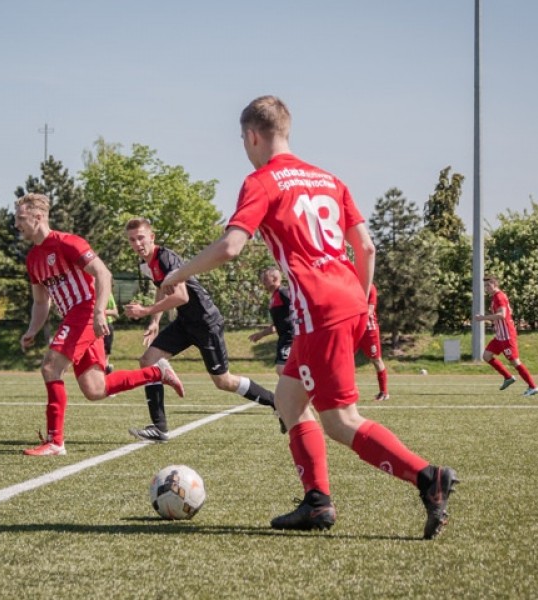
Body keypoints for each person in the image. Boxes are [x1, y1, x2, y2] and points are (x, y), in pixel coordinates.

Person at [158, 95, 457, 539]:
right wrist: (359, 297)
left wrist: (176, 273)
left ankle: (427, 478)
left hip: (319, 309)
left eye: (243, 138)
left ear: (253, 135)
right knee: (289, 400)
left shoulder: (261, 181)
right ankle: (316, 503)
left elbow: (231, 246)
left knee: (341, 420)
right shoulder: (329, 179)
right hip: (350, 299)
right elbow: (367, 248)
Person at [16, 193, 185, 456]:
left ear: (38, 217)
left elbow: (103, 273)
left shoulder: (68, 243)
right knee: (95, 389)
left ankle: (55, 441)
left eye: (21, 218)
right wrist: (32, 330)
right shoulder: (32, 259)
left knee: (51, 366)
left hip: (83, 313)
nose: (17, 224)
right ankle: (157, 373)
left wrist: (97, 313)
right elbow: (41, 303)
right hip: (74, 318)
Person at [123, 217, 280, 441]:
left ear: (151, 237)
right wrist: (155, 322)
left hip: (206, 322)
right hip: (186, 322)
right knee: (147, 360)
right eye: (132, 240)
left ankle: (275, 402)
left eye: (140, 237)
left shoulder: (166, 258)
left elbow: (180, 295)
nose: (137, 243)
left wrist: (145, 311)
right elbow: (163, 289)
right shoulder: (149, 265)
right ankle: (159, 428)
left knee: (223, 381)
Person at [473, 274, 538, 396]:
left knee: (515, 362)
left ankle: (533, 386)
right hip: (500, 336)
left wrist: (483, 318)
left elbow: (502, 315)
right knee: (486, 356)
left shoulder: (499, 297)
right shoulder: (497, 297)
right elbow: (508, 312)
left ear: (495, 284)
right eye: (485, 286)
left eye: (488, 285)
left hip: (507, 336)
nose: (486, 288)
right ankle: (508, 377)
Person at [248, 266, 294, 378]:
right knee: (283, 370)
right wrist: (260, 334)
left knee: (282, 369)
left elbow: (297, 309)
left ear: (274, 279)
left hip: (290, 338)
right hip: (283, 338)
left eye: (265, 278)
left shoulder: (283, 292)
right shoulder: (274, 297)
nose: (262, 281)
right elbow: (275, 326)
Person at [358, 284, 389, 401]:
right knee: (345, 358)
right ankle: (346, 391)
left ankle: (384, 392)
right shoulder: (351, 284)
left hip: (369, 330)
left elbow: (370, 310)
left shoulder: (370, 288)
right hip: (354, 328)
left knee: (376, 360)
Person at [103, 292, 119, 374]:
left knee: (105, 352)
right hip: (91, 326)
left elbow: (115, 313)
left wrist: (100, 311)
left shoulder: (108, 294)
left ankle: (106, 368)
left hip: (107, 326)